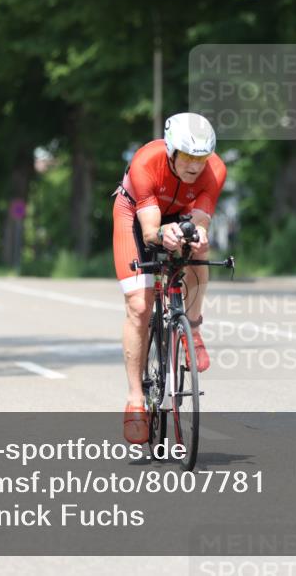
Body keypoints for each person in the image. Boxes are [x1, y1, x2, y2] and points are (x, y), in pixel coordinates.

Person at [112, 112, 226, 444]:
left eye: (201, 158)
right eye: (188, 157)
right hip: (136, 215)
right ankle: (135, 399)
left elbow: (202, 217)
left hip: (180, 215)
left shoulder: (215, 170)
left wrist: (198, 234)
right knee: (139, 305)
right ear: (172, 151)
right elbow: (150, 231)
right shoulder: (146, 162)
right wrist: (164, 234)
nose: (194, 165)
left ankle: (192, 326)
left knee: (199, 249)